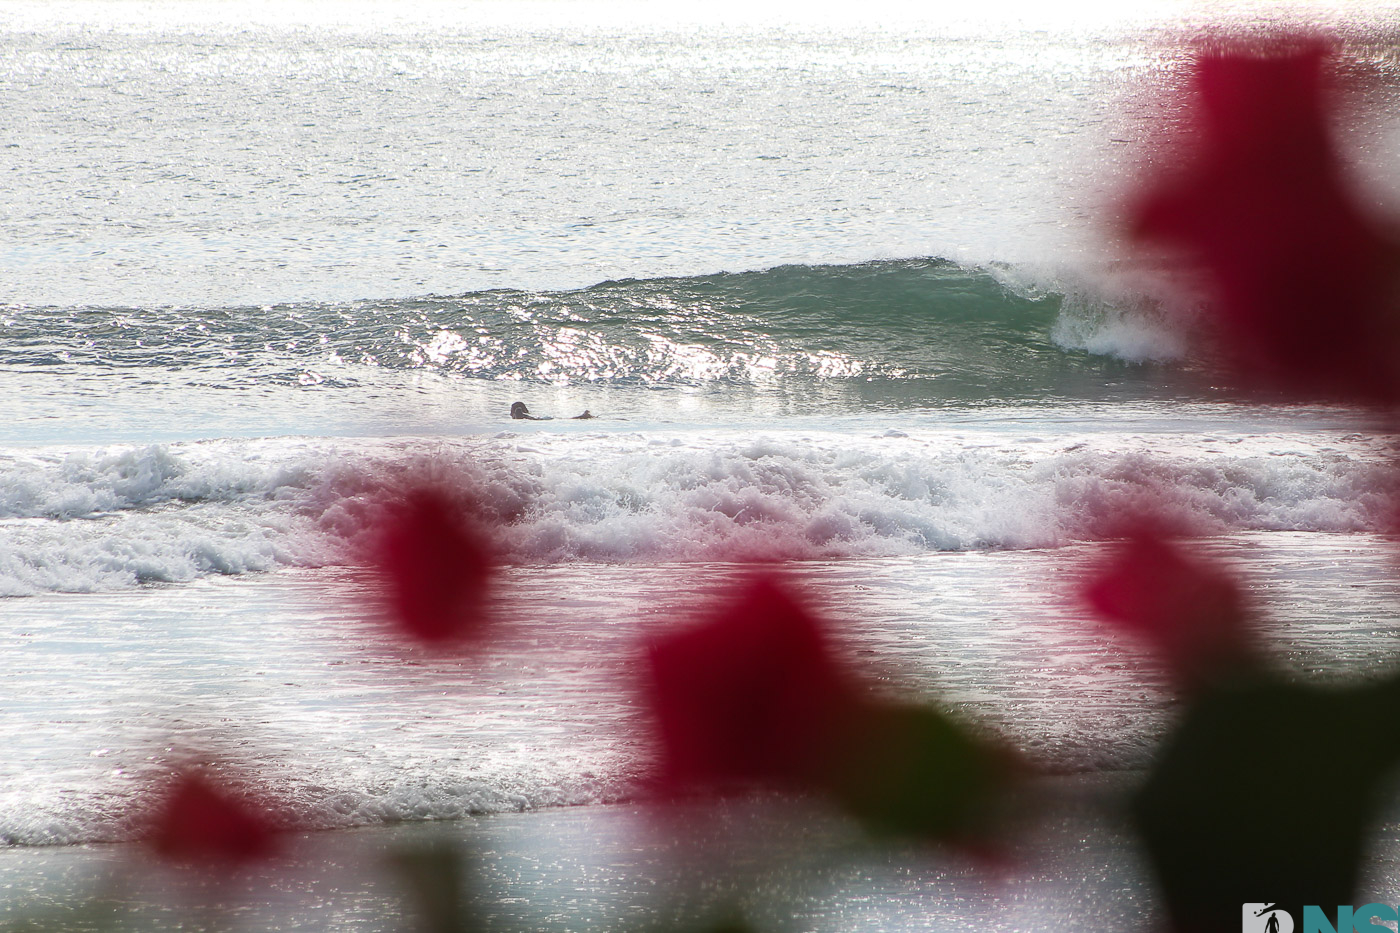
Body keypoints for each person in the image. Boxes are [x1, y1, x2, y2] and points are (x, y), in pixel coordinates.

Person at [510, 402, 593, 421]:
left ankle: (583, 416)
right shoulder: (524, 414)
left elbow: (519, 415)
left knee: (566, 419)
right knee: (566, 419)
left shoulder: (518, 413)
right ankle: (583, 416)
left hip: (542, 420)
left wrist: (516, 412)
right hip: (544, 418)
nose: (510, 413)